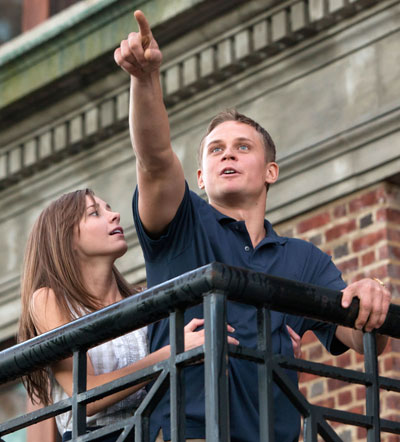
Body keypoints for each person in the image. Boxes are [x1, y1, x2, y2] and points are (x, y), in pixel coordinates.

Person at [114, 10, 392, 442]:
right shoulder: (182, 221)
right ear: (201, 177)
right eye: (216, 150)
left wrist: (370, 294)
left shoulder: (305, 259)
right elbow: (153, 158)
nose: (228, 155)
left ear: (270, 172)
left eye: (243, 147)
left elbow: (356, 339)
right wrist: (145, 80)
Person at [18, 189, 239, 441]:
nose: (115, 215)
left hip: (154, 429)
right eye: (95, 213)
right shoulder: (49, 299)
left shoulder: (143, 297)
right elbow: (85, 395)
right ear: (66, 237)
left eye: (109, 208)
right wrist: (170, 354)